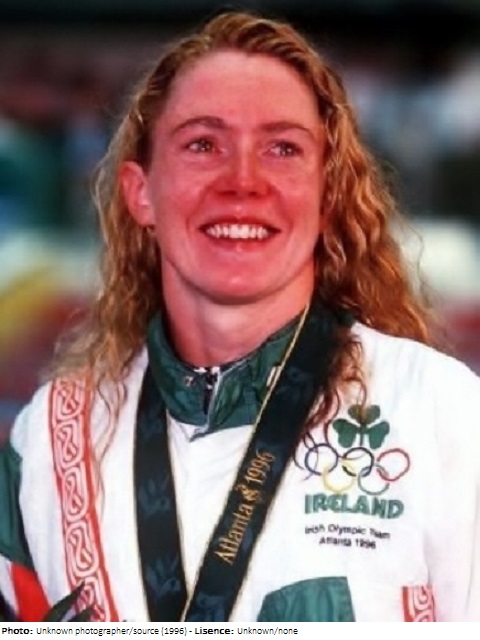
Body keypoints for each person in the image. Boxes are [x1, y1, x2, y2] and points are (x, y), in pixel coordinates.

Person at [1, 10, 479, 623]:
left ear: (327, 194)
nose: (243, 182)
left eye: (283, 148)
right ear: (140, 193)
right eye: (203, 144)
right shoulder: (48, 442)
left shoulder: (441, 415)